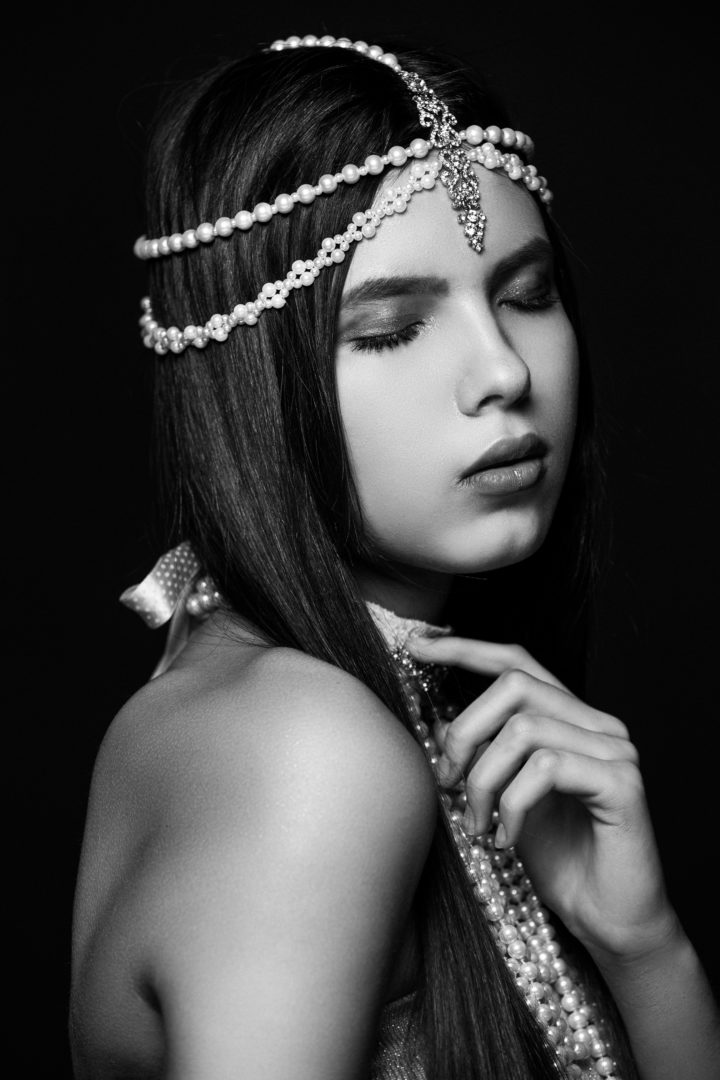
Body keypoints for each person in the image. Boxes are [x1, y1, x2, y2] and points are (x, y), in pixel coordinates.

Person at [68, 33, 719, 1080]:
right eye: (389, 330)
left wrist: (641, 949)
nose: (502, 371)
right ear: (254, 383)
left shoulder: (332, 696)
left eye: (526, 294)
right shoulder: (304, 748)